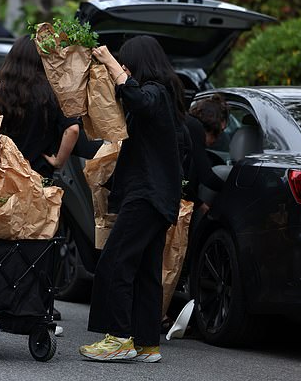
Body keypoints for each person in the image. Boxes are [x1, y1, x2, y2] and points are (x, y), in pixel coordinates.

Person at [79, 35, 185, 363]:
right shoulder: (164, 95)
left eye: (127, 62)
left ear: (139, 63)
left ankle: (118, 338)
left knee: (116, 262)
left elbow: (140, 98)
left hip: (147, 195)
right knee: (145, 270)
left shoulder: (156, 92)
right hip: (157, 197)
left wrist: (110, 62)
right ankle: (146, 343)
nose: (123, 67)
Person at [0, 34, 80, 336]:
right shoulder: (50, 94)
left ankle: (1, 308)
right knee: (37, 248)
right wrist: (58, 161)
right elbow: (73, 130)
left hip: (3, 182)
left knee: (2, 245)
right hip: (37, 183)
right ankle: (32, 310)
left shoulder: (0, 94)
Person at [184, 94, 229, 212]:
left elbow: (181, 181)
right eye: (219, 132)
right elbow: (207, 177)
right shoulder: (195, 128)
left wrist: (198, 204)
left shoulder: (187, 124)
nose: (217, 140)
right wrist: (233, 189)